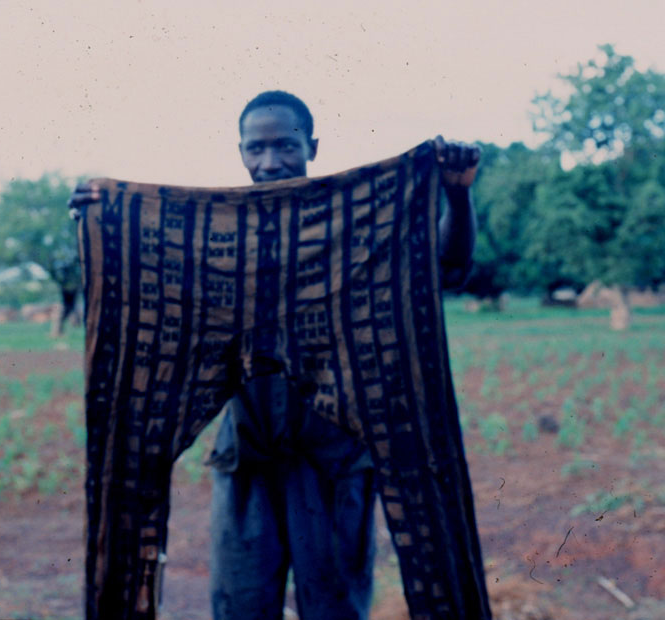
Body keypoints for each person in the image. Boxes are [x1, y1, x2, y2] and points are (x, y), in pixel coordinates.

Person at [69, 90, 480, 620]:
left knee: (333, 608)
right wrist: (102, 222)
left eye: (285, 145)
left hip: (333, 459)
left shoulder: (350, 229)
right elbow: (145, 286)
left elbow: (446, 267)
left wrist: (458, 195)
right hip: (247, 458)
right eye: (255, 148)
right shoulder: (218, 238)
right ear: (240, 152)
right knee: (240, 606)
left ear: (311, 145)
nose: (270, 162)